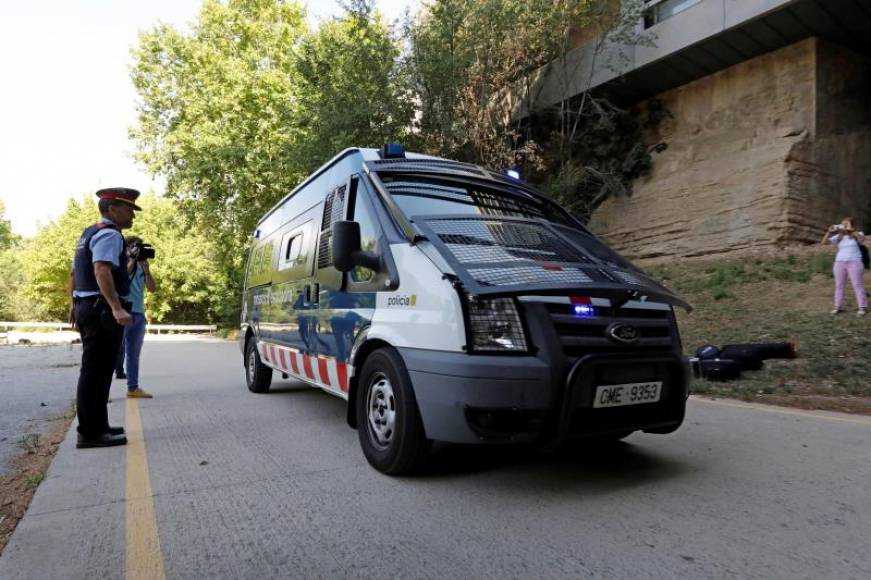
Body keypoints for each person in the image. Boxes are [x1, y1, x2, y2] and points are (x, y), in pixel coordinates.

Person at [69, 187, 140, 448]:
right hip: (101, 310)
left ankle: (98, 426)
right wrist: (116, 308)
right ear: (113, 209)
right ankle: (90, 433)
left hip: (89, 305)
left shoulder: (89, 232)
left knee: (98, 371)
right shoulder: (110, 234)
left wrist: (74, 303)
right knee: (96, 371)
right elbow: (101, 270)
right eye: (129, 208)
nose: (133, 215)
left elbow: (76, 272)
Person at [121, 236, 157, 398]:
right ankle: (102, 391)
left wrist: (147, 271)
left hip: (138, 313)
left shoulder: (142, 266)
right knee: (113, 353)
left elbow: (152, 288)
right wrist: (132, 260)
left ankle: (133, 388)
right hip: (122, 312)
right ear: (127, 248)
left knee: (133, 354)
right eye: (135, 247)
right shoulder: (120, 263)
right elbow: (123, 277)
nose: (139, 250)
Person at [822, 217, 867, 317]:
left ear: (852, 225)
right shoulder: (839, 237)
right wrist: (829, 232)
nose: (843, 226)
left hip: (854, 261)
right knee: (839, 285)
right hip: (839, 262)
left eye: (846, 224)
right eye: (842, 224)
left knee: (857, 285)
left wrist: (851, 230)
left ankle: (862, 307)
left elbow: (862, 239)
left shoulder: (857, 234)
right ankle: (838, 306)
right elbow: (824, 243)